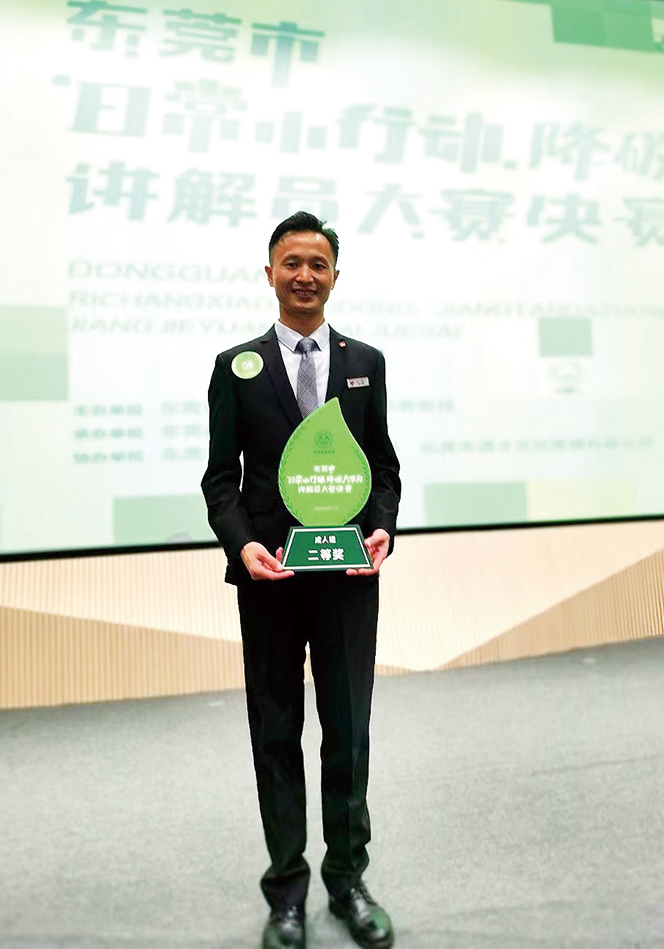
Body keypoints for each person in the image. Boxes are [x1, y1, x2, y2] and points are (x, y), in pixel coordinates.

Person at [201, 211, 401, 949]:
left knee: (348, 734)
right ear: (270, 273)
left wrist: (381, 526)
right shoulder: (237, 366)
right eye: (292, 263)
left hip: (348, 581)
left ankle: (347, 882)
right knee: (276, 734)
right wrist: (244, 544)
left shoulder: (366, 362)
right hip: (271, 583)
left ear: (335, 276)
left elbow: (383, 467)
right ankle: (286, 892)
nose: (305, 275)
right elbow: (221, 480)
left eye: (318, 264)